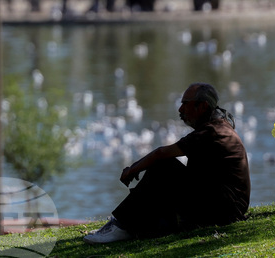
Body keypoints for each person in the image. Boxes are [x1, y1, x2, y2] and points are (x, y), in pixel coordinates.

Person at [84, 82, 250, 244]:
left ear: (203, 107)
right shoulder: (219, 126)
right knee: (160, 196)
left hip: (225, 210)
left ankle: (120, 227)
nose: (180, 109)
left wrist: (133, 169)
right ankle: (123, 225)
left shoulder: (212, 132)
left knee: (164, 166)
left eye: (185, 104)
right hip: (223, 206)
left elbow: (162, 153)